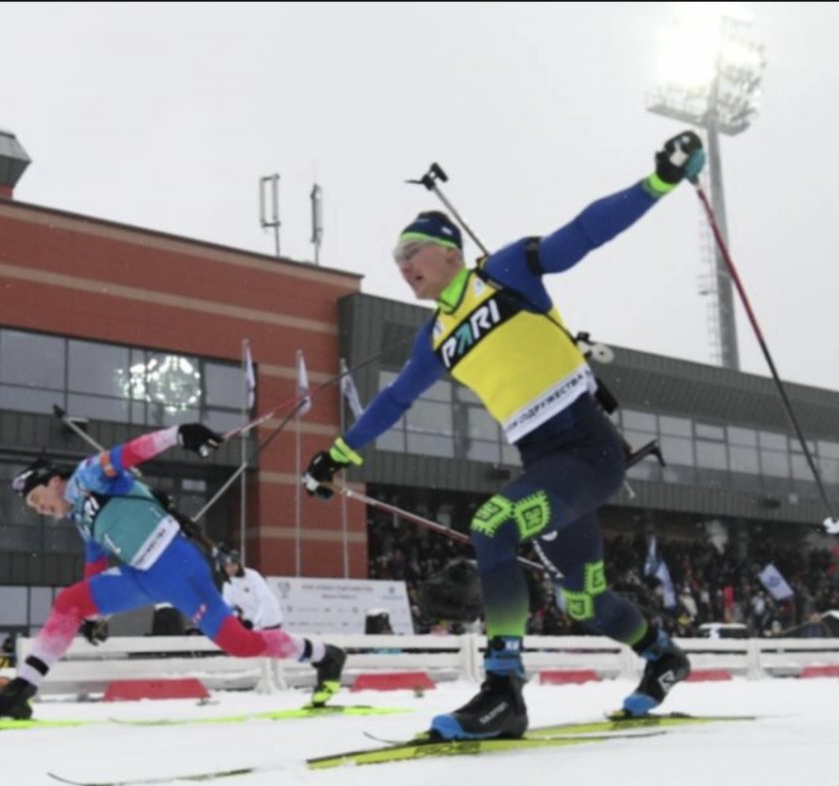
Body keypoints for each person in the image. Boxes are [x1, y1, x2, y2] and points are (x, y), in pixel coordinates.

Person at [302, 132, 705, 741]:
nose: (403, 265)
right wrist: (335, 455)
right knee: (585, 603)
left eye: (411, 250)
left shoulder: (506, 270)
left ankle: (503, 690)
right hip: (549, 466)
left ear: (448, 251)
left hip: (589, 452)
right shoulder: (435, 337)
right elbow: (394, 401)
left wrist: (659, 181)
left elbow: (582, 233)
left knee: (492, 524)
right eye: (396, 259)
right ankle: (663, 656)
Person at [0, 423, 346, 721]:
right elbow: (94, 566)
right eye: (34, 507)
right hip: (142, 575)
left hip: (179, 563)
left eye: (38, 499)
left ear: (54, 482)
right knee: (70, 602)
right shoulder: (81, 519)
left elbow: (129, 453)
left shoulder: (87, 475)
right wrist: (96, 615)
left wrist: (179, 434)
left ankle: (324, 655)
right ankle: (21, 690)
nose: (40, 509)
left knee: (239, 643)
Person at [219, 550, 283, 630]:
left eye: (233, 565)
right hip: (249, 623)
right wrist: (236, 619)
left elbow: (264, 601)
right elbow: (228, 605)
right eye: (227, 566)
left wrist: (254, 622)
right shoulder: (228, 583)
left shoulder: (252, 576)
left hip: (269, 621)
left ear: (239, 564)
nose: (230, 568)